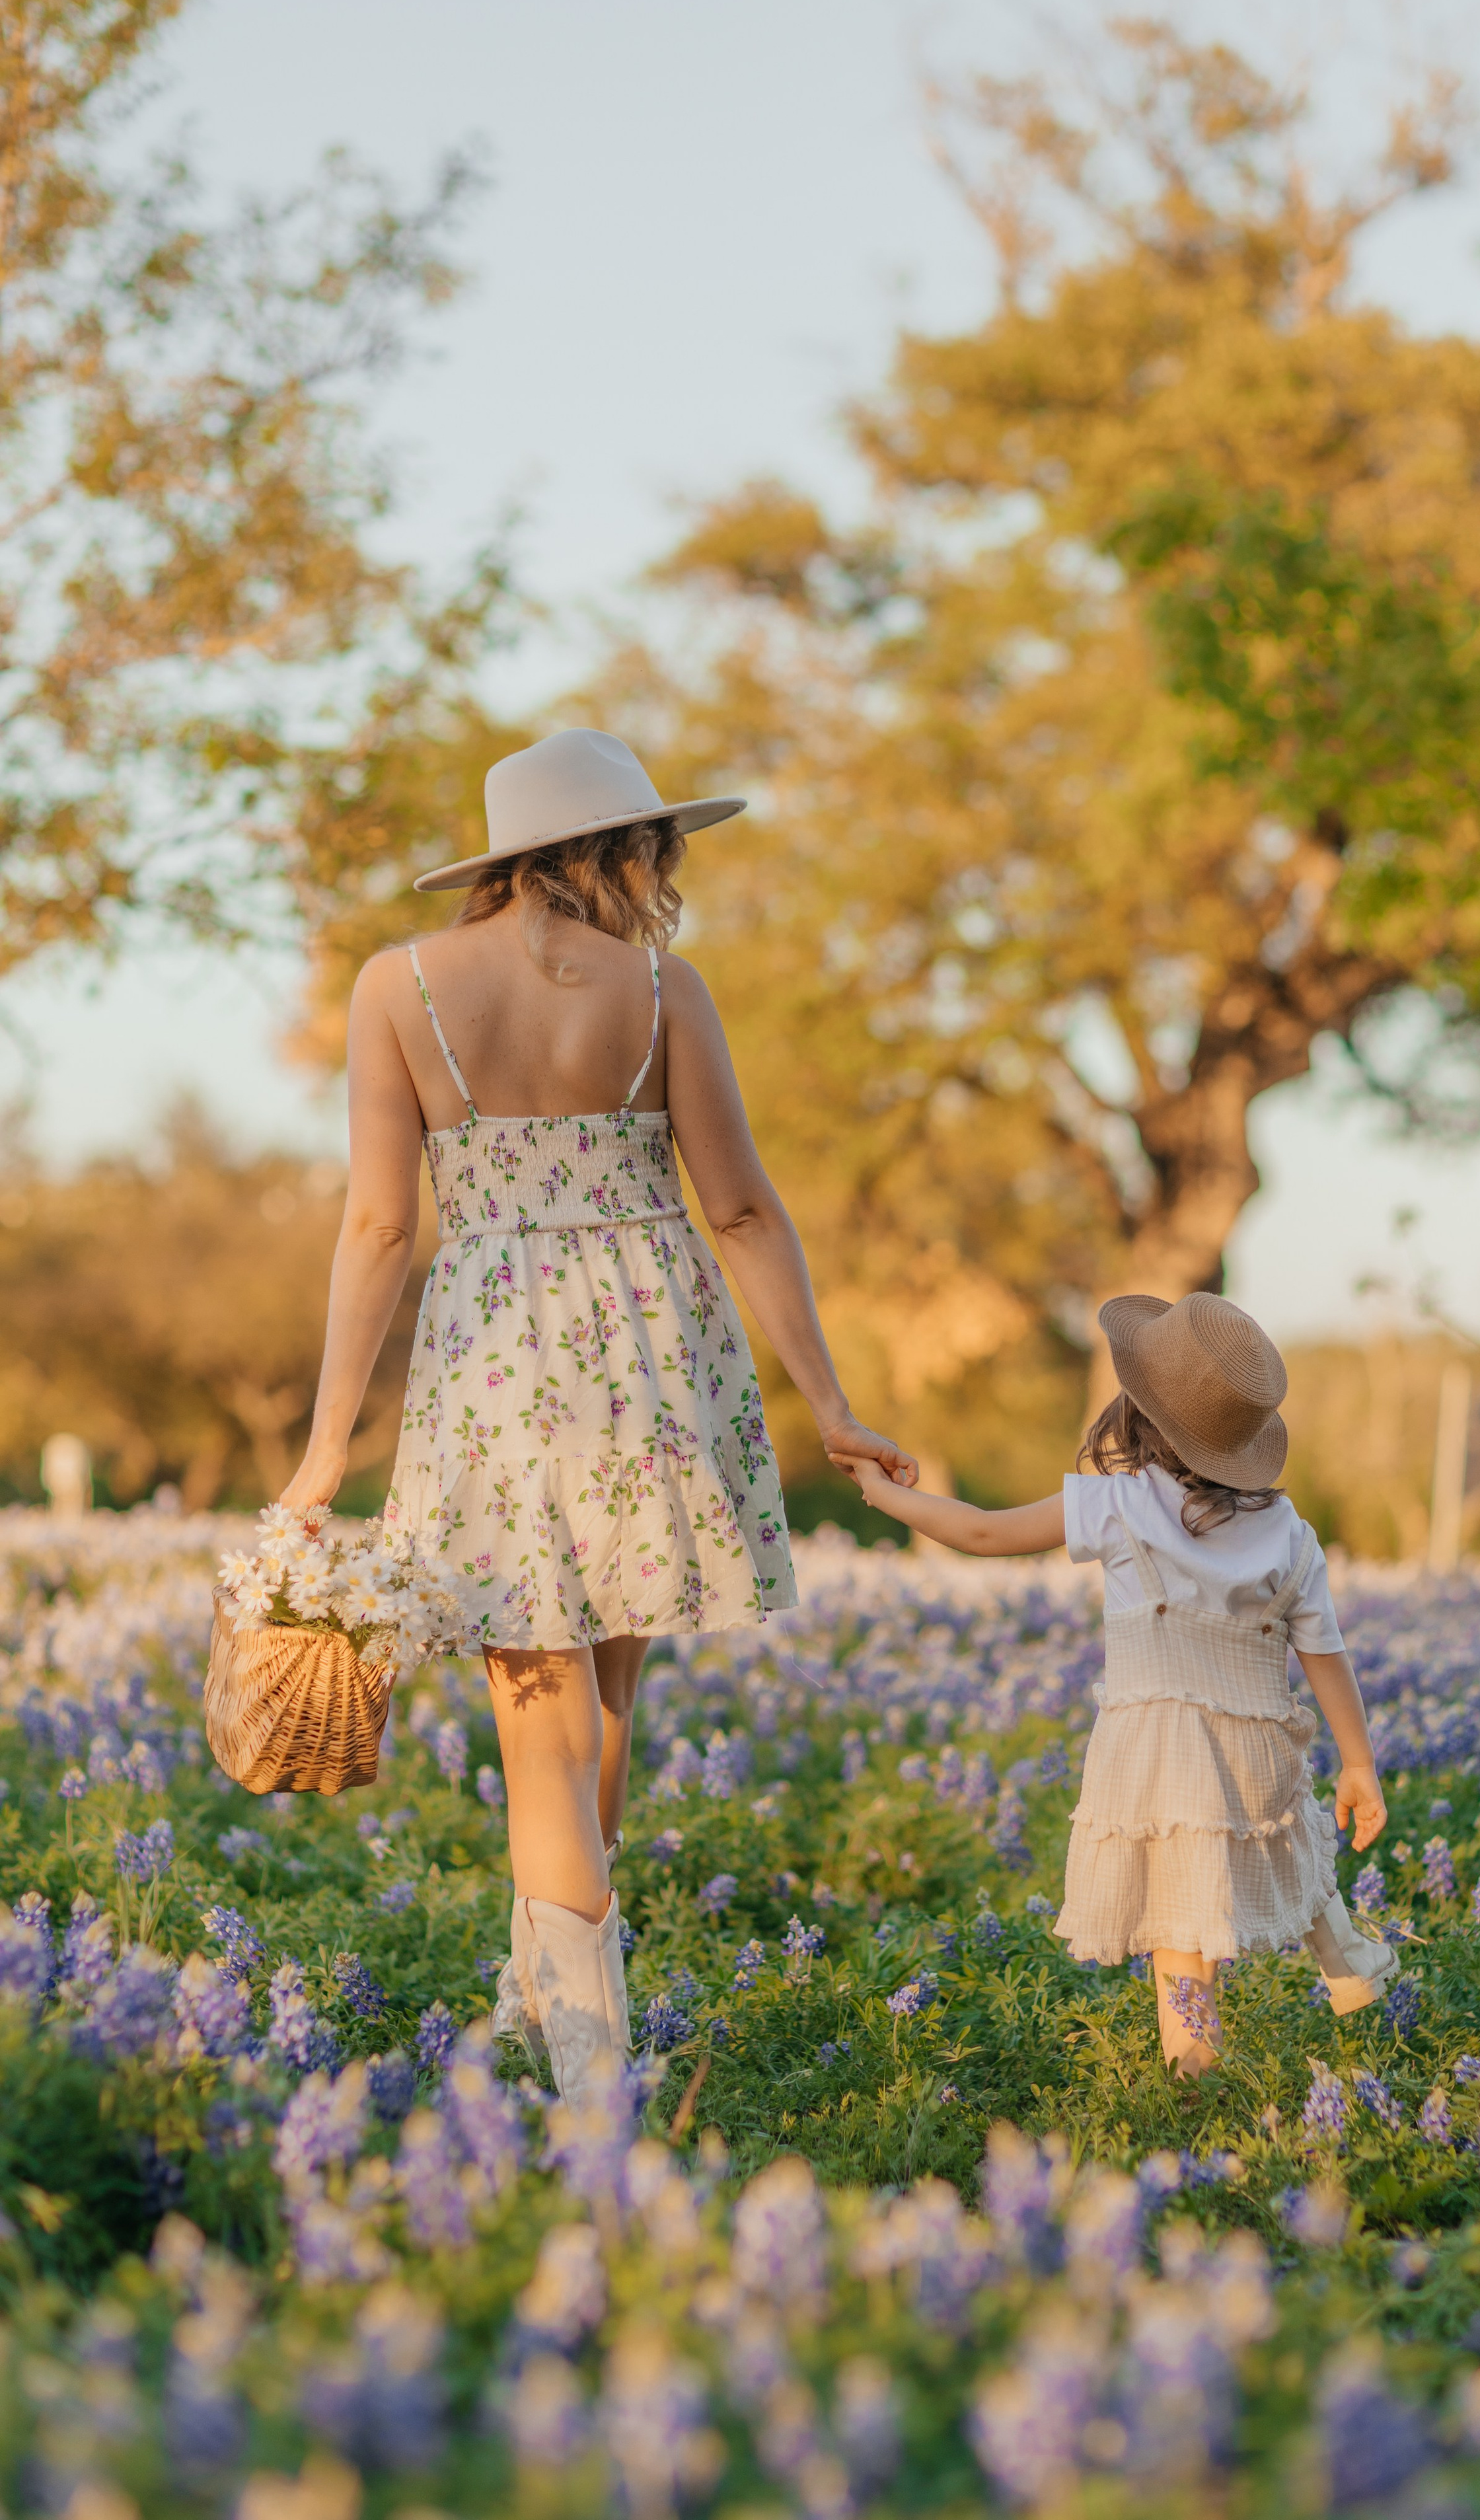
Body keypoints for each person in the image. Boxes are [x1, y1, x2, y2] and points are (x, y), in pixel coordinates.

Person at [281, 727, 914, 2099]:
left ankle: (585, 2068)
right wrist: (831, 1403)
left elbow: (382, 1225)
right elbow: (739, 1209)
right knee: (602, 1704)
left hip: (499, 1363)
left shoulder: (398, 986)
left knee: (538, 1720)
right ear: (618, 850)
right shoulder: (663, 988)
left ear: (505, 859)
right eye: (653, 846)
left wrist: (329, 1445)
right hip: (649, 1349)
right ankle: (555, 2007)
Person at [844, 1289, 1395, 2074]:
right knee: (1277, 1867)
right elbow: (1327, 1655)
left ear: (1135, 1412)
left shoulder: (1117, 1502)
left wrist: (881, 1490)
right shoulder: (1289, 1531)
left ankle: (1194, 2084)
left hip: (1163, 1763)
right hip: (1257, 1756)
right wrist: (1358, 1764)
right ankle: (1347, 1963)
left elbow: (980, 1531)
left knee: (1182, 1942)